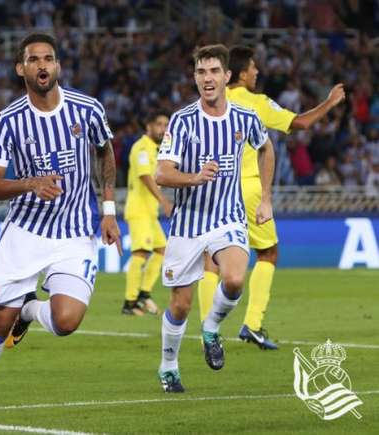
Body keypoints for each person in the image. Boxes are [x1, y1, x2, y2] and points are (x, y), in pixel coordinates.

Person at [0, 33, 121, 428]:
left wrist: (109, 209)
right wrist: (30, 183)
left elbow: (105, 151)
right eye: (34, 60)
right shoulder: (9, 120)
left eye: (49, 58)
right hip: (26, 233)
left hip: (76, 232)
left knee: (66, 321)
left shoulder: (87, 109)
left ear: (58, 66)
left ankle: (28, 311)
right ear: (21, 68)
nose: (42, 65)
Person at [196, 45, 346, 350]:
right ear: (239, 73)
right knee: (267, 253)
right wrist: (330, 102)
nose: (257, 72)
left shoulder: (210, 101)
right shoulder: (256, 103)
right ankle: (252, 324)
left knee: (210, 260)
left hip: (212, 188)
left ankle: (207, 329)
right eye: (252, 67)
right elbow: (300, 123)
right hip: (247, 188)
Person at [155, 44, 275, 393]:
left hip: (228, 217)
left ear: (226, 76)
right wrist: (194, 177)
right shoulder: (182, 120)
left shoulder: (245, 118)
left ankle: (210, 329)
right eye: (200, 72)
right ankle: (168, 366)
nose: (207, 79)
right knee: (180, 305)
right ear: (195, 77)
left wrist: (266, 198)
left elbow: (266, 148)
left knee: (235, 279)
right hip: (188, 223)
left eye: (213, 72)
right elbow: (162, 173)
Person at [121, 112, 172, 316]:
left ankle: (144, 294)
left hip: (149, 213)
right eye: (159, 124)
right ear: (149, 126)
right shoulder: (142, 147)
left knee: (162, 250)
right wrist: (164, 201)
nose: (163, 128)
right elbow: (144, 177)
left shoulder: (156, 149)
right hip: (139, 210)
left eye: (166, 125)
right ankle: (130, 302)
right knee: (141, 253)